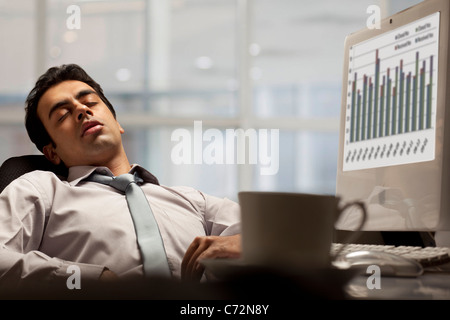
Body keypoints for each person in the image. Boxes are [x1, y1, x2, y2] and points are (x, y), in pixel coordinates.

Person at [0, 64, 241, 295]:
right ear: (52, 152)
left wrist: (245, 244)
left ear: (117, 123)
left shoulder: (194, 201)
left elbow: (271, 233)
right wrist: (85, 280)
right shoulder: (40, 190)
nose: (82, 110)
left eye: (90, 102)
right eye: (63, 114)